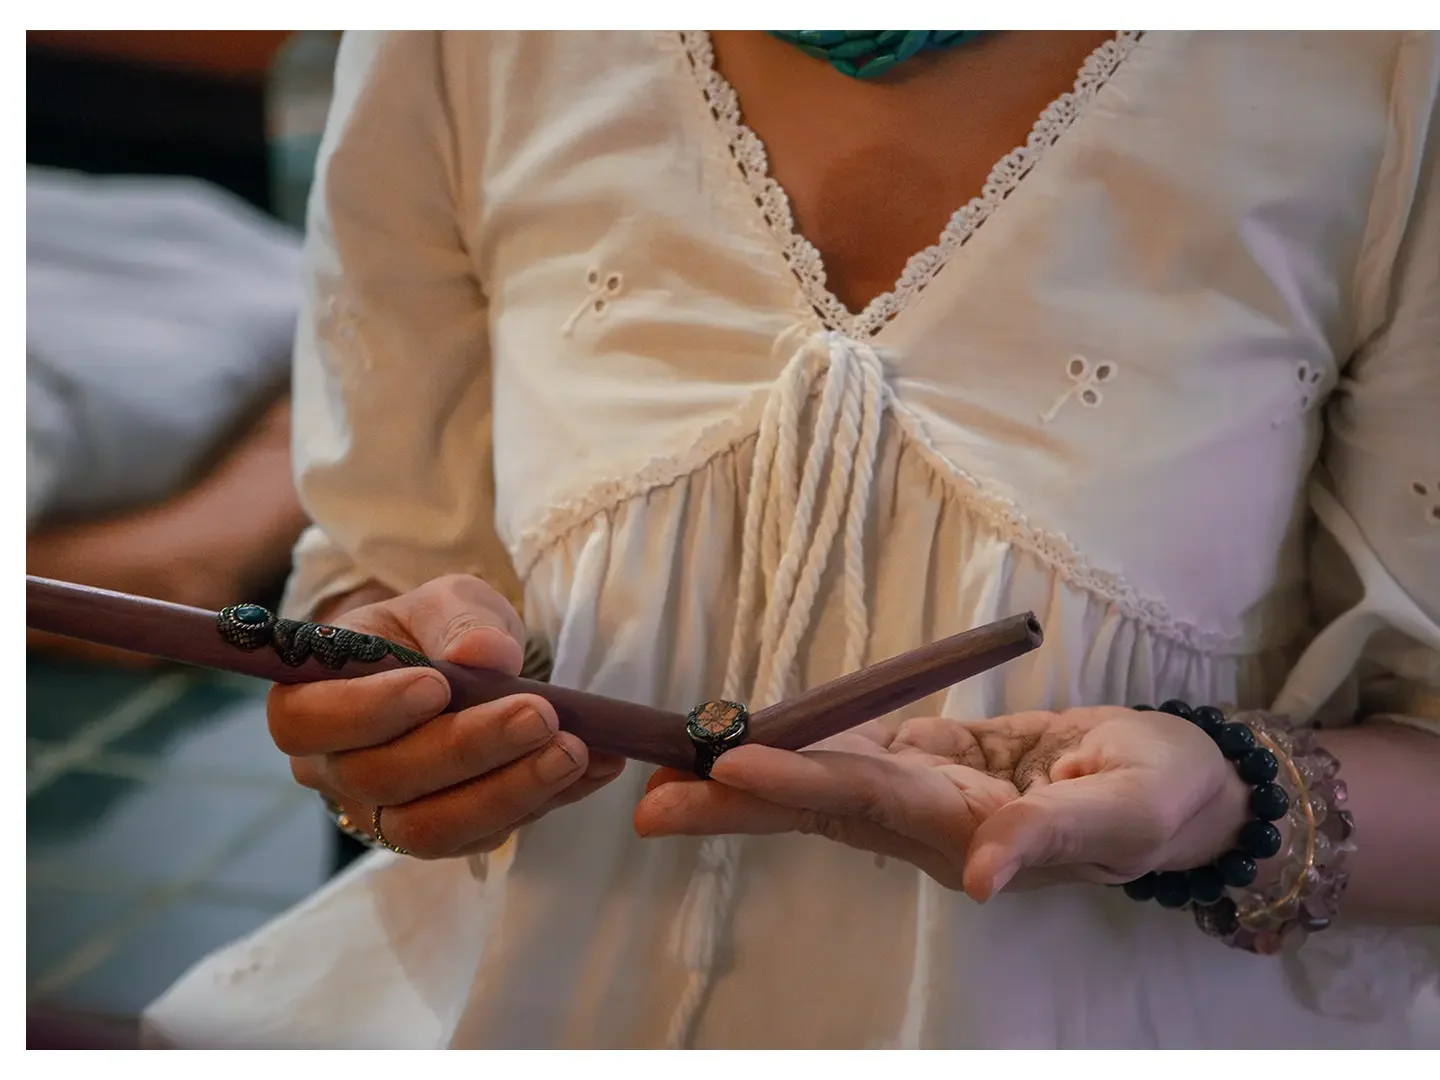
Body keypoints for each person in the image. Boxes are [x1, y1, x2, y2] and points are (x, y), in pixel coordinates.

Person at [143, 30, 1440, 1049]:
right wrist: (391, 719)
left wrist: (1229, 798)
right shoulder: (460, 40)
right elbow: (380, 562)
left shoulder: (1380, 63)